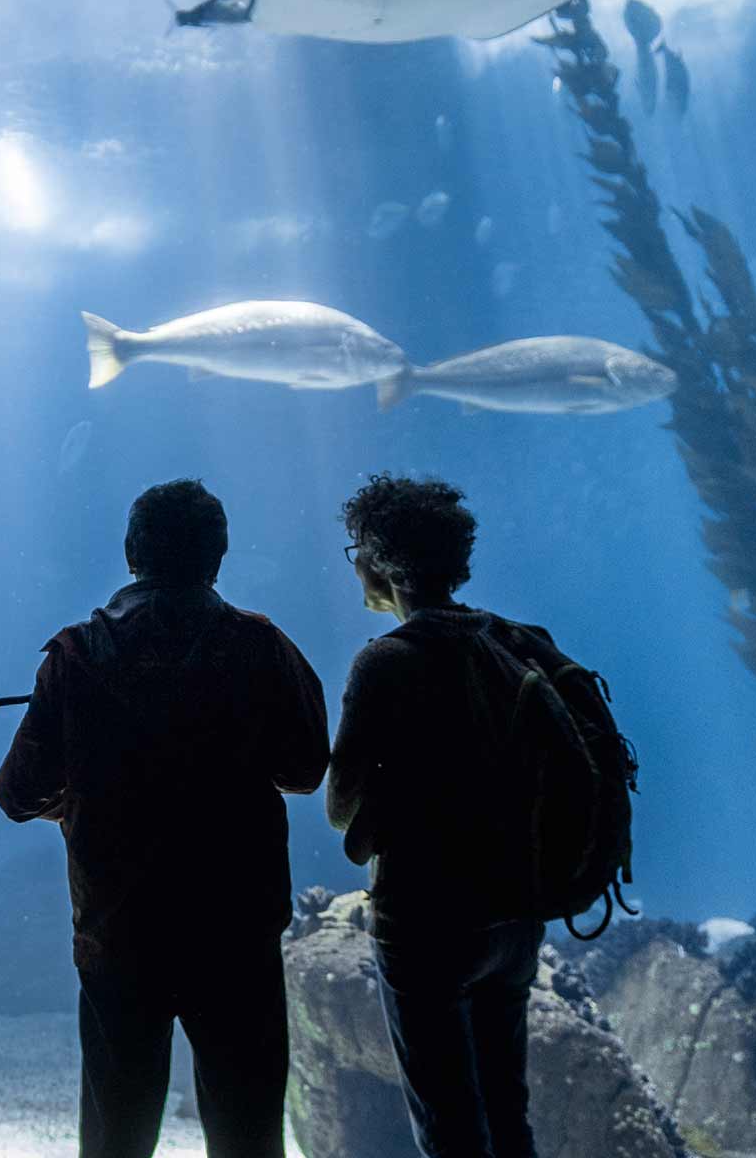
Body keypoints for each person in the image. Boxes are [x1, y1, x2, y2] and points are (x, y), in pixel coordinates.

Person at [0, 478, 332, 1158]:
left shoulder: (76, 654)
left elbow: (15, 791)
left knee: (116, 1137)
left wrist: (74, 795)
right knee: (249, 1136)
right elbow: (305, 770)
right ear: (219, 556)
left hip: (119, 933)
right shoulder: (260, 648)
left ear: (130, 553)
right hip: (236, 930)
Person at [328, 473, 558, 1158]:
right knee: (506, 1111)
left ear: (380, 562)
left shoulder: (384, 663)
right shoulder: (516, 642)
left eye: (357, 553)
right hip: (517, 910)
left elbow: (342, 809)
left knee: (448, 1122)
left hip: (425, 921)